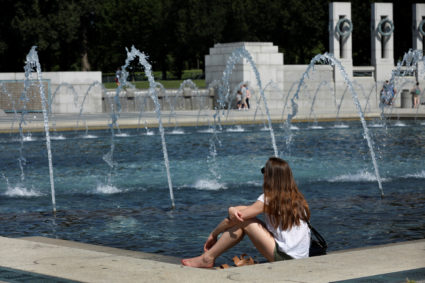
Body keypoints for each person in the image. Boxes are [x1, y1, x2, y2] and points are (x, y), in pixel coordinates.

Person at [181, 157, 311, 268]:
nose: (263, 175)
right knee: (245, 217)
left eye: (264, 171)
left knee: (245, 221)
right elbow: (243, 209)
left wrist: (214, 234)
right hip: (300, 258)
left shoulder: (269, 199)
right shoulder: (297, 198)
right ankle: (207, 258)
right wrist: (232, 209)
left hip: (286, 260)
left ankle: (207, 258)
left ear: (270, 176)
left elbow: (238, 218)